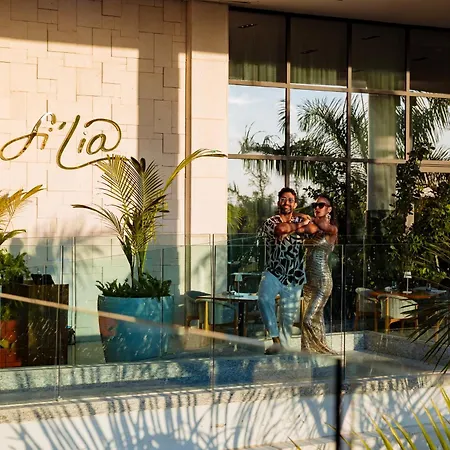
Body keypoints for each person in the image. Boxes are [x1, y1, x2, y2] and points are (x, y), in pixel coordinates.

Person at [257, 187, 317, 355]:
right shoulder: (271, 221)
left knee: (287, 316)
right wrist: (301, 225)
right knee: (263, 299)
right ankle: (275, 339)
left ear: (295, 204)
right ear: (278, 202)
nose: (286, 203)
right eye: (283, 199)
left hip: (295, 275)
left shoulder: (300, 218)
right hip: (274, 271)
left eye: (290, 200)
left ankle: (281, 346)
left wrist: (297, 224)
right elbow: (280, 230)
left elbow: (313, 230)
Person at [301, 194, 338, 354]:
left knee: (308, 319)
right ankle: (310, 356)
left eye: (321, 205)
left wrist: (306, 218)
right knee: (316, 320)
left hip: (323, 281)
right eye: (315, 205)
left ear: (329, 209)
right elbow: (299, 229)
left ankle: (324, 351)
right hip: (309, 282)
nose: (317, 208)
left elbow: (323, 225)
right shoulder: (313, 230)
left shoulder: (332, 230)